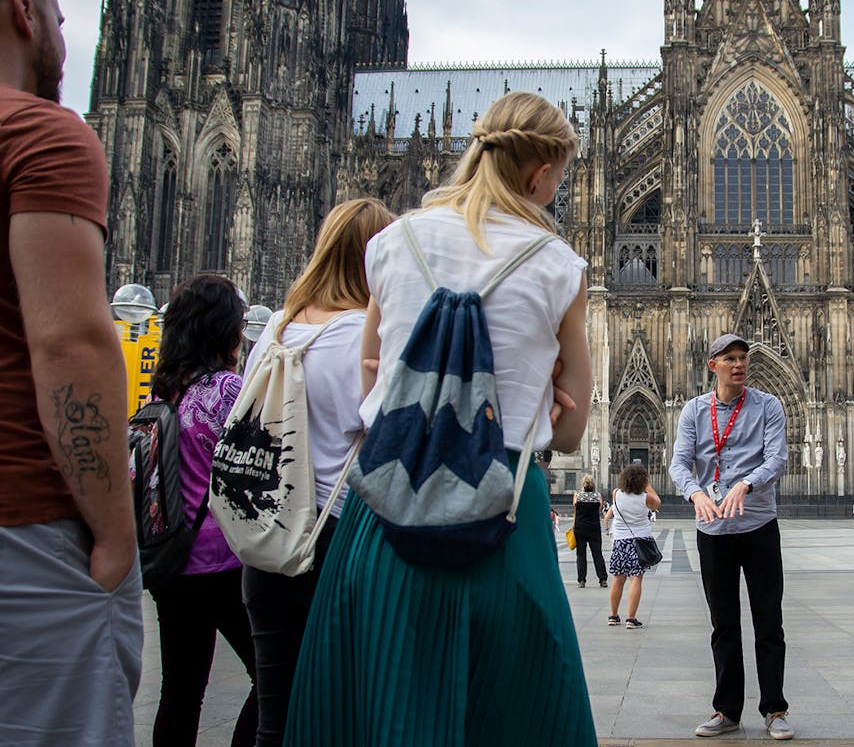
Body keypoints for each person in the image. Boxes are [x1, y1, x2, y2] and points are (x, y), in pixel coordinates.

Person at [284, 91, 596, 746]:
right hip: (502, 512)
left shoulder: (393, 242)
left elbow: (371, 382)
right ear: (539, 172)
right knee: (510, 716)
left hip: (387, 512)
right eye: (559, 177)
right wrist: (537, 400)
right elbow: (569, 433)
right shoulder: (558, 267)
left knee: (380, 709)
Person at [0, 0, 141, 744]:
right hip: (26, 518)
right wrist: (116, 529)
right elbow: (68, 345)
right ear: (25, 14)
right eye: (58, 11)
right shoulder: (43, 139)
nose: (67, 25)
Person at [239, 197, 394, 747]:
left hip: (269, 543)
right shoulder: (362, 337)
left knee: (273, 716)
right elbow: (391, 438)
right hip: (335, 545)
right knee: (343, 715)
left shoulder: (275, 331)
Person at [149, 275, 258, 746]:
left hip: (171, 558)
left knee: (180, 691)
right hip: (221, 559)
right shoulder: (229, 390)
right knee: (277, 676)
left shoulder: (164, 388)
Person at [669, 333, 793, 741]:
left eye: (743, 358)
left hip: (758, 526)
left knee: (768, 621)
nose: (739, 364)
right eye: (730, 358)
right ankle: (727, 710)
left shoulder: (768, 406)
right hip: (713, 531)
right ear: (713, 365)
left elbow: (777, 457)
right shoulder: (693, 411)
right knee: (723, 624)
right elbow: (680, 464)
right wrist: (696, 493)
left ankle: (774, 709)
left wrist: (747, 484)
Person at [604, 463, 661, 628]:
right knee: (636, 578)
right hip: (639, 542)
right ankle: (631, 618)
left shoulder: (616, 494)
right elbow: (657, 503)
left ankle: (613, 616)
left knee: (618, 578)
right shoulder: (646, 498)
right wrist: (648, 486)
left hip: (620, 541)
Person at [572, 474, 608, 588]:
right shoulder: (598, 496)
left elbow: (575, 507)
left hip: (580, 528)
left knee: (581, 554)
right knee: (597, 554)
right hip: (594, 528)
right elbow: (599, 508)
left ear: (583, 485)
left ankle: (581, 580)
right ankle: (602, 579)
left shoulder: (577, 496)